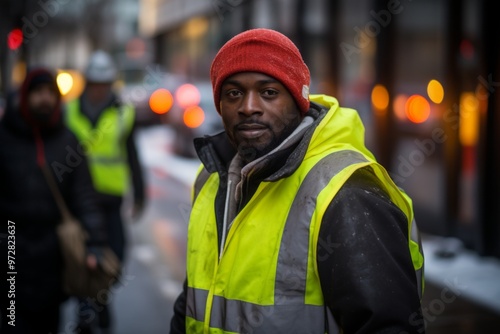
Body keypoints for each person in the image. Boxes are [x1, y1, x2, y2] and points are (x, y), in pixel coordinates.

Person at [169, 28, 425, 334]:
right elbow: (194, 299)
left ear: (298, 101)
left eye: (268, 92)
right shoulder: (211, 180)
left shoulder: (345, 194)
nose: (248, 106)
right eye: (234, 93)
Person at [0, 67, 107, 333]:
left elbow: (84, 195)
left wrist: (94, 243)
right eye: (38, 92)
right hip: (11, 244)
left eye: (50, 92)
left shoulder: (67, 140)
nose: (45, 98)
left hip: (53, 249)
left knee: (48, 321)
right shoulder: (4, 137)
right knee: (13, 319)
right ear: (25, 96)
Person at [64, 50, 145, 333]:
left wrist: (140, 193)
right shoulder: (69, 111)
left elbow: (132, 155)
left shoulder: (123, 112)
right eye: (95, 83)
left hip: (111, 198)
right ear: (87, 83)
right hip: (77, 201)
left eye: (104, 83)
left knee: (116, 256)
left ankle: (99, 300)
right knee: (78, 257)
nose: (99, 89)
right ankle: (88, 309)